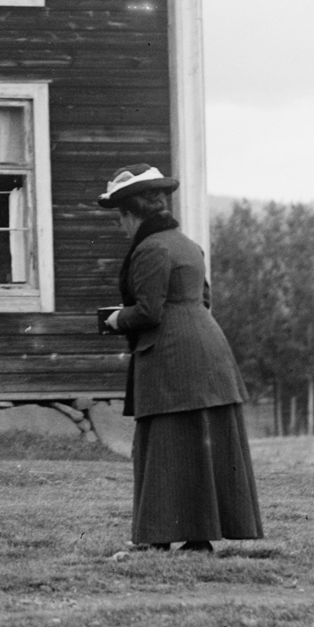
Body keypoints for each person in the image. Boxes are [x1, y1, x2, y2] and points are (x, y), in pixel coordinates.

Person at [99, 164, 264, 553]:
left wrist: (115, 319)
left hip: (171, 356)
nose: (121, 226)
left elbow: (149, 311)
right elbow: (202, 300)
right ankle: (196, 537)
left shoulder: (151, 248)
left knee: (166, 445)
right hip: (207, 349)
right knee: (197, 445)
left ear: (132, 213)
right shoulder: (186, 244)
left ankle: (161, 536)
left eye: (121, 217)